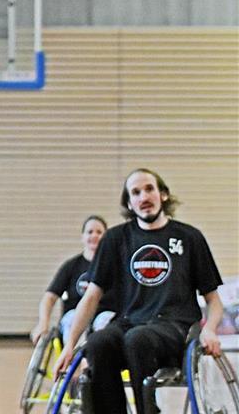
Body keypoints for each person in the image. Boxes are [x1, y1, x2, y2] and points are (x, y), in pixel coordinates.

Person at [54, 169, 224, 414]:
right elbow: (91, 297)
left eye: (149, 189)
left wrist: (210, 329)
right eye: (135, 192)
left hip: (175, 326)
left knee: (138, 339)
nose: (143, 196)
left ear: (163, 195)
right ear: (129, 203)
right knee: (98, 342)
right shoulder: (115, 239)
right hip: (130, 322)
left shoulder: (189, 238)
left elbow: (213, 300)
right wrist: (70, 344)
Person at [30, 215, 116, 346]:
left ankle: (98, 361)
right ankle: (75, 359)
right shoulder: (71, 266)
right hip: (75, 315)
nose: (94, 235)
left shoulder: (113, 266)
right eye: (90, 232)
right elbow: (49, 298)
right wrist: (43, 322)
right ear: (83, 237)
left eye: (99, 232)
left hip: (102, 315)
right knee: (74, 319)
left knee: (106, 323)